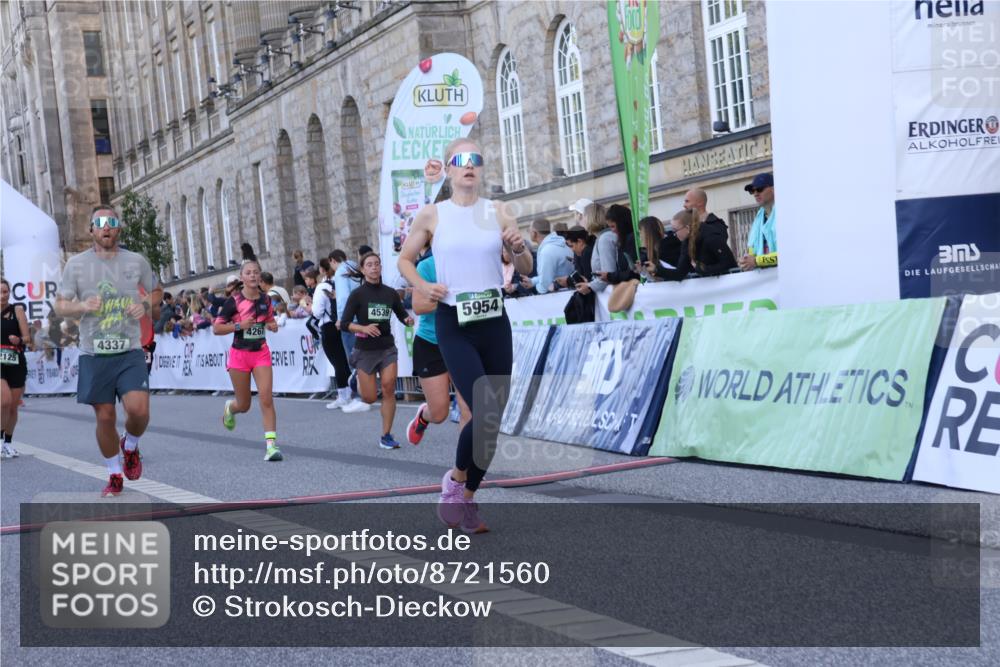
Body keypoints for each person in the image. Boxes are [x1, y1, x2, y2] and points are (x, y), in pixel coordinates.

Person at [399, 137, 532, 534]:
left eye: (476, 158)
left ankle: (466, 493)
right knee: (483, 411)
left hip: (494, 320)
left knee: (492, 419)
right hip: (454, 322)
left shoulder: (498, 211)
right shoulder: (432, 214)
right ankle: (456, 485)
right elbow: (404, 261)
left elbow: (524, 264)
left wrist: (520, 248)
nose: (469, 165)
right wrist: (423, 288)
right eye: (461, 159)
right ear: (449, 168)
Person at [54, 205, 162, 496]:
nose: (105, 227)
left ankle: (130, 445)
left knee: (138, 412)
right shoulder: (76, 265)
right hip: (94, 353)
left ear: (118, 229)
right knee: (105, 417)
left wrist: (146, 305)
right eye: (99, 223)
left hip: (129, 350)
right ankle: (114, 473)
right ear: (91, 230)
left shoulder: (136, 260)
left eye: (111, 222)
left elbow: (156, 291)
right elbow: (60, 304)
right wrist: (81, 306)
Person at [340, 252, 414, 449]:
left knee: (389, 387)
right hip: (365, 350)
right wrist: (363, 328)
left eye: (377, 264)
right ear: (363, 270)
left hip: (386, 347)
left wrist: (407, 320)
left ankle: (386, 435)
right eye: (370, 265)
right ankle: (356, 377)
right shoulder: (357, 295)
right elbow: (344, 323)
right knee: (369, 398)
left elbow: (401, 314)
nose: (374, 267)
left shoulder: (390, 293)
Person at [213, 256, 282, 462]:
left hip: (260, 352)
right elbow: (217, 328)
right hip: (239, 355)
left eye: (256, 272)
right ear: (242, 277)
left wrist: (272, 325)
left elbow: (269, 320)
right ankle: (230, 408)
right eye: (248, 272)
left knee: (266, 398)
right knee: (244, 405)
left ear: (260, 276)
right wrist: (238, 326)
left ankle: (271, 446)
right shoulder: (233, 302)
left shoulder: (265, 299)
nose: (253, 275)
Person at [406, 252, 471, 446]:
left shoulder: (470, 261)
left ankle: (466, 470)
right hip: (431, 343)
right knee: (439, 413)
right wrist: (453, 300)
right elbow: (418, 306)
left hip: (463, 341)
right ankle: (424, 416)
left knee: (469, 409)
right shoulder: (427, 266)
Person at [310, 260, 366, 412]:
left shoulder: (322, 287)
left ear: (322, 270)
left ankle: (345, 395)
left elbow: (317, 312)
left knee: (337, 362)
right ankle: (351, 393)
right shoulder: (341, 282)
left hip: (330, 325)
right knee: (345, 359)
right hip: (342, 323)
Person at [648, 209, 738, 281]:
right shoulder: (686, 242)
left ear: (687, 228)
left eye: (675, 230)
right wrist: (656, 269)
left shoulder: (710, 237)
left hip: (727, 282)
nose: (674, 234)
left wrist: (703, 269)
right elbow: (680, 273)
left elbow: (729, 262)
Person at [1, 278, 30, 458]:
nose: (2, 295)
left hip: (16, 360)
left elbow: (27, 338)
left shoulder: (17, 310)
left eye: (5, 292)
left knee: (12, 406)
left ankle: (8, 442)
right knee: (3, 401)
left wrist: (19, 340)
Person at [739, 172, 777, 270]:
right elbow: (752, 249)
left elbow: (787, 255)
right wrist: (746, 260)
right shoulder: (759, 217)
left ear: (773, 189)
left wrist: (756, 261)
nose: (755, 194)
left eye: (760, 189)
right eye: (752, 191)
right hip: (767, 278)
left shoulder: (784, 214)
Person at [330, 249, 360, 369]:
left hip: (350, 319)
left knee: (354, 359)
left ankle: (358, 385)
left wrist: (341, 318)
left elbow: (343, 298)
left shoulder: (340, 271)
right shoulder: (355, 267)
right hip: (362, 316)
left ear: (332, 261)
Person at [527, 218, 574, 294]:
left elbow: (544, 286)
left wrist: (537, 288)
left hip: (558, 297)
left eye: (529, 230)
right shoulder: (562, 245)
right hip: (568, 293)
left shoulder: (547, 251)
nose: (528, 233)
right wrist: (533, 281)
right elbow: (553, 276)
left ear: (534, 233)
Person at [577, 203, 613, 296]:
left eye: (583, 216)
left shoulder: (605, 238)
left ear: (591, 217)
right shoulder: (601, 238)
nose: (580, 219)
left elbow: (608, 273)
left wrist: (590, 286)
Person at [637, 216, 665, 281]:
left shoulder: (664, 250)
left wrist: (655, 270)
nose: (640, 236)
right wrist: (643, 271)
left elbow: (668, 278)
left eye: (641, 232)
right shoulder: (648, 251)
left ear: (648, 233)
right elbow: (655, 280)